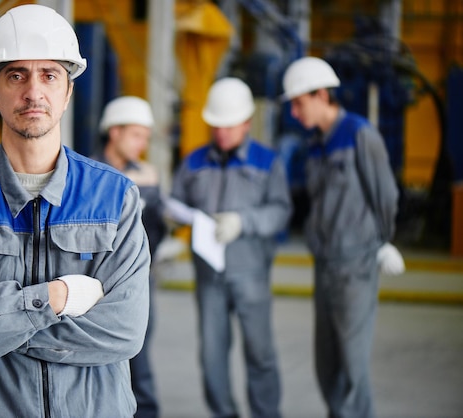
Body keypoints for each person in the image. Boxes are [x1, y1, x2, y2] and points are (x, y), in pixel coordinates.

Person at [0, 5, 150, 417]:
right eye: (16, 75)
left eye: (49, 75)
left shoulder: (115, 196)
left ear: (68, 92)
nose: (33, 92)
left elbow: (123, 332)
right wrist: (56, 298)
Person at [281, 56, 405, 418]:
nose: (293, 112)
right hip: (325, 265)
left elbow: (386, 194)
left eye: (299, 103)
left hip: (356, 265)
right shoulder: (317, 144)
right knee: (328, 362)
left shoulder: (359, 134)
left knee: (352, 363)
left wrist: (384, 240)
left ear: (322, 95)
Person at [168, 77, 292, 418]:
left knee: (260, 355)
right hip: (208, 278)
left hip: (251, 274)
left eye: (229, 125)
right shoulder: (193, 163)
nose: (221, 133)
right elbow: (176, 204)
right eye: (216, 126)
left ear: (247, 122)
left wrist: (243, 222)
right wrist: (174, 227)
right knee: (211, 357)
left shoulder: (268, 162)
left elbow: (281, 211)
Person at [93, 96, 167, 418]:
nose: (142, 144)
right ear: (115, 132)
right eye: (136, 135)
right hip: (95, 287)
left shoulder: (148, 175)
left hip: (139, 283)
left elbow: (158, 225)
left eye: (145, 137)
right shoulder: (88, 173)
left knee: (140, 358)